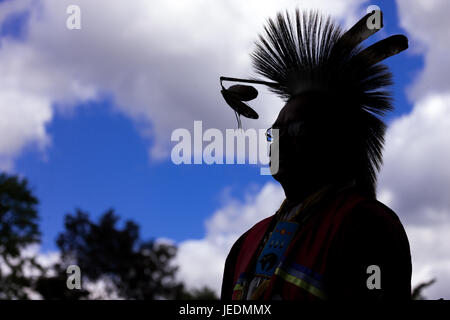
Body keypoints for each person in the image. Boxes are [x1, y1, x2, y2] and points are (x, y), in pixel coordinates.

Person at [219, 9, 412, 300]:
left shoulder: (367, 226)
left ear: (336, 141)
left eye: (296, 129)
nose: (278, 141)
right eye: (274, 132)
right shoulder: (245, 244)